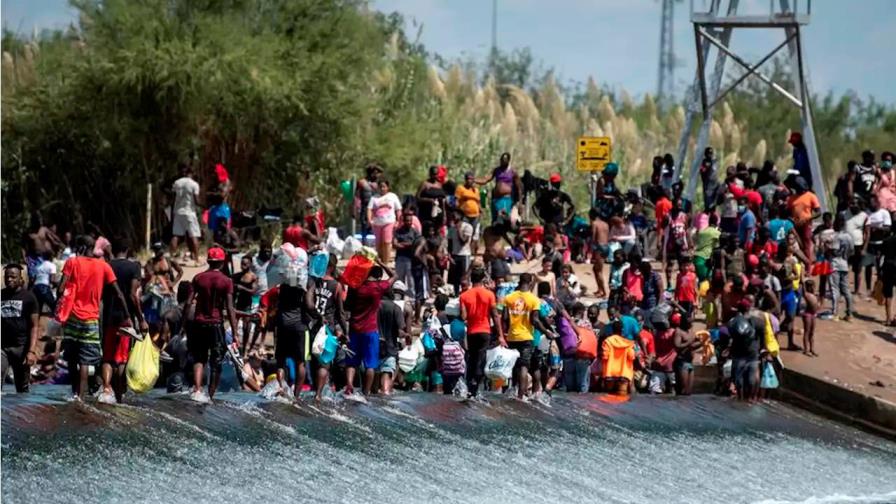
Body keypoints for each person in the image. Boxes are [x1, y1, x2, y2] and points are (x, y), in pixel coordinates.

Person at [57, 236, 131, 400]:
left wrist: (59, 306)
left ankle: (74, 392)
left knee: (72, 358)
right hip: (91, 319)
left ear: (81, 247)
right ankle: (81, 397)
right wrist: (127, 316)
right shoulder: (104, 266)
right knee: (85, 361)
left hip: (72, 317)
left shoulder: (72, 262)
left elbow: (61, 288)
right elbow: (118, 293)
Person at [187, 247, 240, 402]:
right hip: (216, 325)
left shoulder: (198, 278)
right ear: (222, 263)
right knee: (216, 362)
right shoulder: (227, 281)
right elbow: (230, 308)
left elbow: (189, 302)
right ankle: (210, 395)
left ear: (208, 261)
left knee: (199, 359)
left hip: (198, 324)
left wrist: (184, 324)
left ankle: (197, 390)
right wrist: (235, 332)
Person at [100, 239, 148, 404]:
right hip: (125, 318)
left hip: (107, 316)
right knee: (121, 358)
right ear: (128, 250)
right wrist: (141, 319)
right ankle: (119, 396)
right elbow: (133, 296)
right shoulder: (133, 267)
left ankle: (106, 389)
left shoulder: (107, 266)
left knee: (107, 356)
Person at [344, 260, 397, 397]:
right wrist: (380, 261)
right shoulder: (378, 287)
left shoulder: (356, 286)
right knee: (370, 365)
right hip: (370, 330)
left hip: (354, 328)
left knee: (351, 362)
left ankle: (349, 386)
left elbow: (347, 279)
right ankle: (365, 393)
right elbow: (395, 276)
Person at [503, 273, 554, 401]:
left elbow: (504, 318)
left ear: (520, 282)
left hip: (511, 337)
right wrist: (546, 332)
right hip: (526, 337)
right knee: (524, 366)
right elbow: (535, 321)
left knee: (514, 366)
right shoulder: (533, 299)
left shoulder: (509, 297)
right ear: (531, 283)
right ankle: (521, 396)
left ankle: (513, 392)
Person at [275, 258, 319, 399]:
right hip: (299, 326)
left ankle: (281, 389)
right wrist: (318, 316)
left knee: (281, 361)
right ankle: (296, 396)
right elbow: (309, 304)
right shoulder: (308, 281)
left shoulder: (284, 280)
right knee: (301, 362)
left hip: (282, 324)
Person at [459, 267, 504, 396]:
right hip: (485, 331)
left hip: (471, 332)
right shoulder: (489, 294)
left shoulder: (464, 296)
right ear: (483, 279)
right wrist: (500, 335)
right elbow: (495, 316)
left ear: (471, 279)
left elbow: (463, 317)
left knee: (471, 359)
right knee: (481, 358)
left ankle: (469, 390)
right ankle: (476, 387)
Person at [311, 254, 347, 401]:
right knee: (324, 364)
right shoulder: (336, 286)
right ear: (332, 267)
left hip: (313, 326)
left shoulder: (314, 282)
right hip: (328, 329)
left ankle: (315, 391)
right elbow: (340, 312)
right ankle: (319, 394)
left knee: (314, 360)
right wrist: (345, 331)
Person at [1, 264, 39, 393]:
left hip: (21, 348)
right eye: (7, 277)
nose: (9, 280)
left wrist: (31, 351)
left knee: (22, 389)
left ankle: (21, 413)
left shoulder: (29, 298)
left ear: (20, 278)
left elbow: (34, 326)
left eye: (13, 277)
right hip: (3, 348)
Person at [727, 297, 765, 402]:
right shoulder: (758, 321)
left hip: (739, 354)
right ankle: (750, 400)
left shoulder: (733, 321)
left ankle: (741, 399)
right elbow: (763, 337)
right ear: (749, 308)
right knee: (752, 379)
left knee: (739, 380)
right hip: (752, 353)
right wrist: (762, 348)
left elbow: (729, 335)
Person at [169, 163, 202, 264]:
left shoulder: (177, 183)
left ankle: (172, 257)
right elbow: (196, 201)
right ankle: (196, 259)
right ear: (191, 173)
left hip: (178, 212)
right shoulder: (194, 184)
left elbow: (173, 198)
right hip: (189, 212)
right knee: (194, 235)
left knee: (176, 235)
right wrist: (203, 205)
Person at [143, 242, 183, 324]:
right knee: (155, 314)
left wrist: (173, 283)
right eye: (156, 249)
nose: (158, 251)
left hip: (167, 291)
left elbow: (180, 271)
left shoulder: (169, 261)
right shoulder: (151, 262)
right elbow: (147, 275)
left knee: (167, 314)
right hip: (155, 292)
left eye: (159, 249)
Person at [393, 209, 422, 319]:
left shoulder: (415, 232)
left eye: (410, 220)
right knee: (398, 282)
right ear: (403, 221)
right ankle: (398, 303)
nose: (409, 222)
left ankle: (412, 304)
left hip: (411, 261)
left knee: (411, 284)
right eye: (407, 220)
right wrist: (407, 244)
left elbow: (416, 244)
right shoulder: (398, 231)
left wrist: (403, 244)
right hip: (400, 259)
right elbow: (395, 244)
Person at [477, 152, 522, 222]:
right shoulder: (497, 170)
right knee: (495, 221)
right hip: (496, 199)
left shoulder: (513, 172)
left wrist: (520, 204)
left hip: (506, 199)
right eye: (501, 160)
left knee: (503, 218)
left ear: (508, 161)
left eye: (504, 160)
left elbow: (519, 188)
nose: (502, 162)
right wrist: (474, 180)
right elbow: (486, 179)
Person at [377, 286, 405, 395]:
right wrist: (406, 335)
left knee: (372, 385)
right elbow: (400, 331)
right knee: (386, 377)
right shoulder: (396, 308)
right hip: (390, 348)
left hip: (374, 346)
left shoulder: (375, 306)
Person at [787, 177, 821, 267]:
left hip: (806, 224)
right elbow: (788, 212)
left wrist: (808, 218)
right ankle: (798, 266)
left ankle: (808, 267)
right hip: (795, 225)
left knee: (806, 245)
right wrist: (791, 219)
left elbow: (818, 212)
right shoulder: (792, 198)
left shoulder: (811, 196)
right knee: (796, 245)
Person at [367, 179, 402, 263]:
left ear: (387, 187)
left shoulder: (392, 196)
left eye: (384, 187)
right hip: (377, 223)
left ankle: (386, 262)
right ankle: (380, 261)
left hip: (389, 222)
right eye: (380, 187)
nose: (382, 188)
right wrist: (369, 220)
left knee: (387, 242)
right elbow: (369, 209)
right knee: (379, 243)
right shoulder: (374, 198)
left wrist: (398, 221)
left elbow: (398, 210)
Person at [232, 255, 258, 353]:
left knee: (246, 327)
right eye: (242, 263)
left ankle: (244, 348)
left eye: (245, 264)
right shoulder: (236, 276)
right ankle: (234, 344)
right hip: (237, 303)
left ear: (250, 264)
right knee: (234, 325)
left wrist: (242, 288)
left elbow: (253, 291)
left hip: (247, 304)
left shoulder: (253, 277)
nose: (243, 266)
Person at [446, 209, 473, 296]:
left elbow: (463, 241)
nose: (453, 217)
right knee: (455, 278)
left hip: (464, 255)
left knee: (464, 277)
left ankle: (465, 294)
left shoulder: (467, 227)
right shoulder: (451, 229)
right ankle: (456, 294)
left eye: (455, 215)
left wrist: (458, 230)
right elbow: (450, 244)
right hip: (454, 255)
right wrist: (449, 255)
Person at [673, 315, 701, 395]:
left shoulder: (691, 331)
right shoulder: (678, 331)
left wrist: (701, 343)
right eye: (688, 323)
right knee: (683, 389)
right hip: (682, 362)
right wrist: (688, 343)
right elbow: (677, 345)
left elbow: (696, 343)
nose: (690, 325)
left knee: (689, 391)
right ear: (683, 323)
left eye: (691, 323)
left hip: (690, 361)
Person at [456, 172, 482, 254]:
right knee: (464, 232)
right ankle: (461, 251)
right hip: (464, 215)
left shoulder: (476, 190)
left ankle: (470, 251)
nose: (470, 181)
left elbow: (478, 202)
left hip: (475, 216)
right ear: (465, 179)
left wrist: (480, 209)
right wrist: (458, 211)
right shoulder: (461, 188)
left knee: (473, 234)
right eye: (468, 179)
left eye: (471, 179)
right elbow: (456, 201)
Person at [416, 165, 448, 231]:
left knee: (437, 231)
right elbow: (417, 198)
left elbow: (443, 201)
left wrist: (444, 215)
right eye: (433, 174)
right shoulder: (425, 184)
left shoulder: (440, 185)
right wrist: (429, 200)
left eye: (436, 174)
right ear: (430, 174)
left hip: (438, 213)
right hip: (426, 213)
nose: (435, 176)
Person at [355, 164, 382, 238]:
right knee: (364, 230)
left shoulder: (378, 184)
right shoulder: (362, 182)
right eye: (375, 173)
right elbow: (357, 196)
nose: (376, 176)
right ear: (371, 173)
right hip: (364, 209)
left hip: (375, 211)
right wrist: (356, 208)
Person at [589, 208, 610, 299]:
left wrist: (591, 251)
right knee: (595, 269)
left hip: (599, 247)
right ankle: (600, 289)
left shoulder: (594, 223)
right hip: (606, 247)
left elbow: (593, 237)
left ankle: (604, 292)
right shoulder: (606, 224)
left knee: (599, 271)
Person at [694, 213, 720, 282]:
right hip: (705, 259)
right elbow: (718, 245)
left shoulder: (702, 232)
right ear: (717, 222)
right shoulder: (716, 233)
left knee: (700, 281)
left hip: (697, 258)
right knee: (706, 282)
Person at [32, 249, 58, 315]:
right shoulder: (52, 265)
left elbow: (34, 279)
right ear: (52, 257)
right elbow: (52, 280)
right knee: (54, 307)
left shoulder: (38, 266)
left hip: (35, 287)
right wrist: (57, 284)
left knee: (38, 309)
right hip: (44, 287)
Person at [801, 279, 819, 357]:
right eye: (811, 287)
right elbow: (802, 285)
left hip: (813, 314)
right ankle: (806, 350)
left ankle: (812, 349)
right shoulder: (806, 294)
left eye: (813, 287)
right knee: (807, 332)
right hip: (807, 314)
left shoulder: (813, 294)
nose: (813, 288)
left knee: (812, 332)